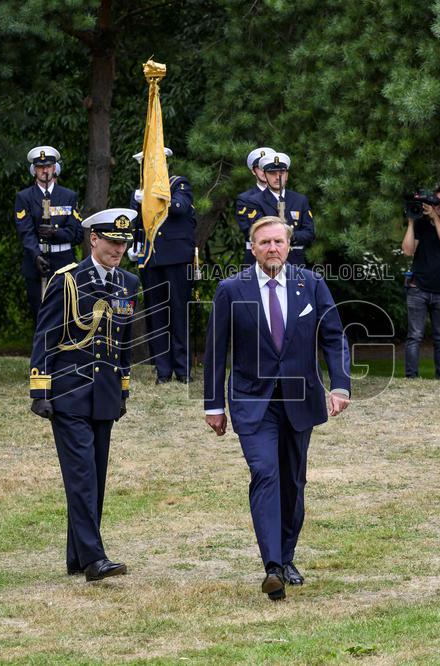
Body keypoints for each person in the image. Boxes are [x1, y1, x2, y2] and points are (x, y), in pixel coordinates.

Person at [203, 215, 351, 601]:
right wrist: (213, 405)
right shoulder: (231, 290)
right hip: (253, 401)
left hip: (300, 400)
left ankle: (286, 558)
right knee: (265, 474)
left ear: (289, 246)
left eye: (278, 242)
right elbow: (216, 352)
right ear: (252, 248)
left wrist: (340, 384)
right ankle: (271, 566)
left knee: (293, 482)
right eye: (264, 242)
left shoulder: (310, 284)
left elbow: (334, 337)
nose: (272, 248)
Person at [28, 208, 140, 582]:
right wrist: (40, 388)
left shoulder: (128, 284)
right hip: (69, 393)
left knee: (96, 477)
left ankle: (77, 557)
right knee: (81, 478)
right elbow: (45, 335)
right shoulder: (68, 280)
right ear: (93, 239)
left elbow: (124, 344)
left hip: (105, 395)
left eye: (123, 243)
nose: (118, 249)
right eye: (112, 242)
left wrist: (123, 390)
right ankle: (94, 559)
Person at [128, 148, 197, 384]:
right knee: (156, 316)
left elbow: (179, 208)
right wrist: (135, 243)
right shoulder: (139, 192)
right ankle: (163, 370)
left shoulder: (178, 184)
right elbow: (136, 222)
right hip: (150, 260)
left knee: (178, 312)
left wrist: (151, 196)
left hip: (176, 259)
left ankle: (183, 369)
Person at [14, 146, 84, 322]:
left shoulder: (69, 196)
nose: (44, 170)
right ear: (34, 170)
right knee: (41, 315)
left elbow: (76, 234)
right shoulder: (24, 197)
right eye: (40, 167)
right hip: (36, 262)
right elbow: (25, 232)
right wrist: (36, 256)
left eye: (48, 166)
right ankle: (43, 350)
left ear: (55, 168)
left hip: (64, 261)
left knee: (66, 314)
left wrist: (56, 232)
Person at [400, 185, 440, 380]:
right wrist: (411, 222)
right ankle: (411, 378)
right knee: (415, 336)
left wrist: (435, 219)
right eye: (437, 202)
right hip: (418, 289)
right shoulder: (421, 226)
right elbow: (408, 251)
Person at [236, 152, 315, 266]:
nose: (278, 177)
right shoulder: (254, 201)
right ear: (265, 175)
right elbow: (259, 232)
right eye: (272, 173)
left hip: (295, 261)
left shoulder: (300, 200)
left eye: (282, 173)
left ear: (287, 175)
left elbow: (309, 233)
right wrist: (285, 236)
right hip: (265, 261)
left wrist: (289, 237)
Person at [234, 146, 274, 265]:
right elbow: (249, 230)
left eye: (267, 167)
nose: (264, 171)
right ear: (253, 171)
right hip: (256, 257)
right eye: (259, 168)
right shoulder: (245, 199)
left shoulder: (289, 197)